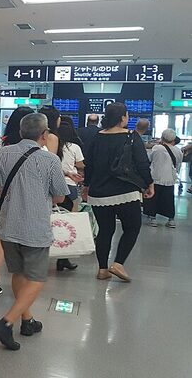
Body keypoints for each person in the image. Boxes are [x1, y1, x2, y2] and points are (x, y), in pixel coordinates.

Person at [0, 113, 69, 351]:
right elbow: (60, 195)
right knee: (37, 278)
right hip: (35, 227)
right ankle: (7, 322)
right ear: (44, 134)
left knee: (18, 272)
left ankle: (27, 320)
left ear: (20, 132)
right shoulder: (50, 160)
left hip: (8, 226)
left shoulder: (2, 153)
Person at [83, 102, 154, 282]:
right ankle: (118, 263)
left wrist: (87, 185)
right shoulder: (131, 136)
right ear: (123, 118)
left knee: (105, 231)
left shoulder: (97, 137)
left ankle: (102, 269)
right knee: (132, 227)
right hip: (126, 192)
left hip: (99, 193)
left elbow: (89, 164)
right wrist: (149, 183)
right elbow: (142, 163)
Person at [0, 106, 33, 296]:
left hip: (0, 199)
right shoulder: (36, 148)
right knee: (26, 239)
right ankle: (25, 281)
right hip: (28, 199)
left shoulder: (1, 144)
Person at [55, 114, 85, 272]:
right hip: (70, 186)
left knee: (53, 218)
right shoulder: (74, 147)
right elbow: (80, 165)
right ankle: (63, 257)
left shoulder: (53, 145)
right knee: (68, 222)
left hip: (54, 186)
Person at [144, 129, 182, 228]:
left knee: (153, 198)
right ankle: (171, 220)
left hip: (156, 177)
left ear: (162, 137)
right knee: (168, 199)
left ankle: (153, 218)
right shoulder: (178, 150)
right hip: (170, 179)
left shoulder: (157, 148)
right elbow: (178, 165)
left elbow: (148, 158)